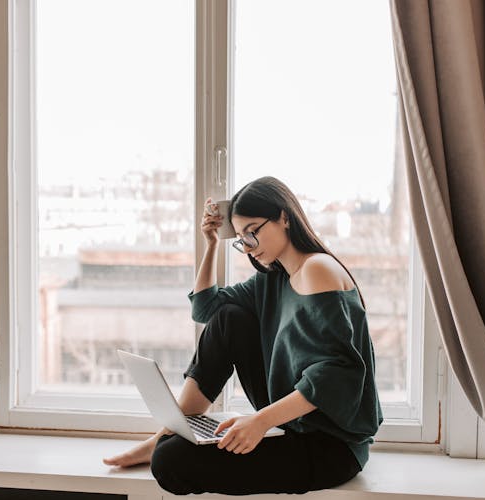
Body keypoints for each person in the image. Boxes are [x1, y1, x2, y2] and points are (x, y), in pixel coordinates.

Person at [103, 176, 382, 495]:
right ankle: (165, 434)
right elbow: (207, 311)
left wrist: (260, 421)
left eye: (253, 232)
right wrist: (211, 245)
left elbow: (337, 373)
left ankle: (164, 444)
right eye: (240, 239)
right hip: (291, 424)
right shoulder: (274, 279)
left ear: (284, 217)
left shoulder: (318, 270)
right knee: (229, 317)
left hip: (329, 446)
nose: (249, 246)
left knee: (171, 462)